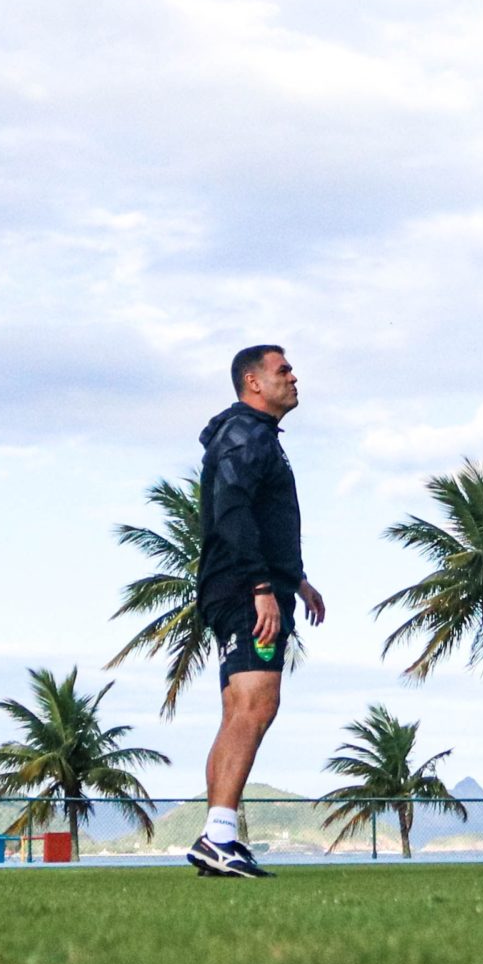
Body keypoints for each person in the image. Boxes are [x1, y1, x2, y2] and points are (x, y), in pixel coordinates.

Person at [187, 345, 326, 878]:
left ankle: (215, 836)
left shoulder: (257, 436)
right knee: (256, 706)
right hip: (245, 589)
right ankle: (219, 836)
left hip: (247, 583)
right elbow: (232, 508)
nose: (294, 377)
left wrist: (296, 580)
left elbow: (261, 517)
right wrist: (262, 586)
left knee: (238, 712)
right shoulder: (244, 433)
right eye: (283, 370)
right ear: (253, 382)